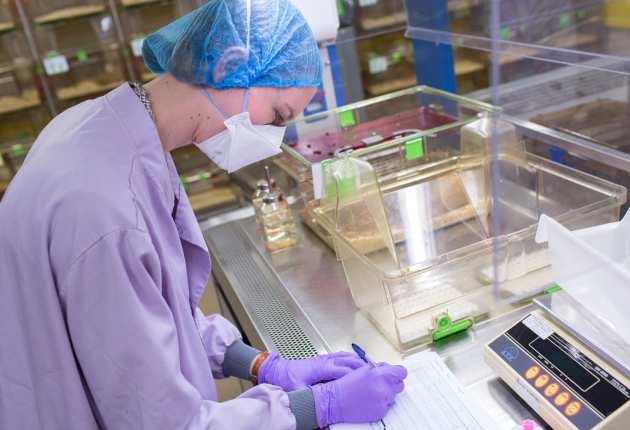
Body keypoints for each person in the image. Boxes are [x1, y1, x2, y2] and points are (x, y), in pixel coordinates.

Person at [0, 1, 407, 429]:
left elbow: (150, 307)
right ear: (230, 66)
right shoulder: (106, 210)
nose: (274, 138)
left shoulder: (106, 128)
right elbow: (165, 424)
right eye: (278, 116)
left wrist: (262, 365)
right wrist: (316, 408)